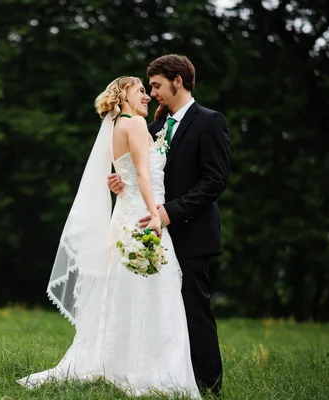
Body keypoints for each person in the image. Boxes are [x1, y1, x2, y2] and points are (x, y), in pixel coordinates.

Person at [17, 75, 201, 398]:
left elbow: (126, 174)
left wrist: (122, 186)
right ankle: (156, 373)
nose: (147, 95)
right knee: (157, 295)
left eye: (149, 90)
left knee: (125, 296)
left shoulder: (119, 127)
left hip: (125, 217)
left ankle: (122, 364)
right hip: (145, 218)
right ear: (125, 95)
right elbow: (143, 174)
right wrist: (155, 216)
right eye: (141, 91)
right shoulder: (136, 126)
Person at [108, 55, 230, 394]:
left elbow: (215, 180)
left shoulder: (210, 121)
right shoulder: (153, 126)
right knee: (159, 309)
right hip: (151, 231)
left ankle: (208, 384)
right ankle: (163, 374)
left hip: (190, 230)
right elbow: (138, 169)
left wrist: (169, 212)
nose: (152, 93)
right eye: (149, 87)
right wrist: (119, 182)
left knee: (194, 307)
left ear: (178, 81)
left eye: (157, 85)